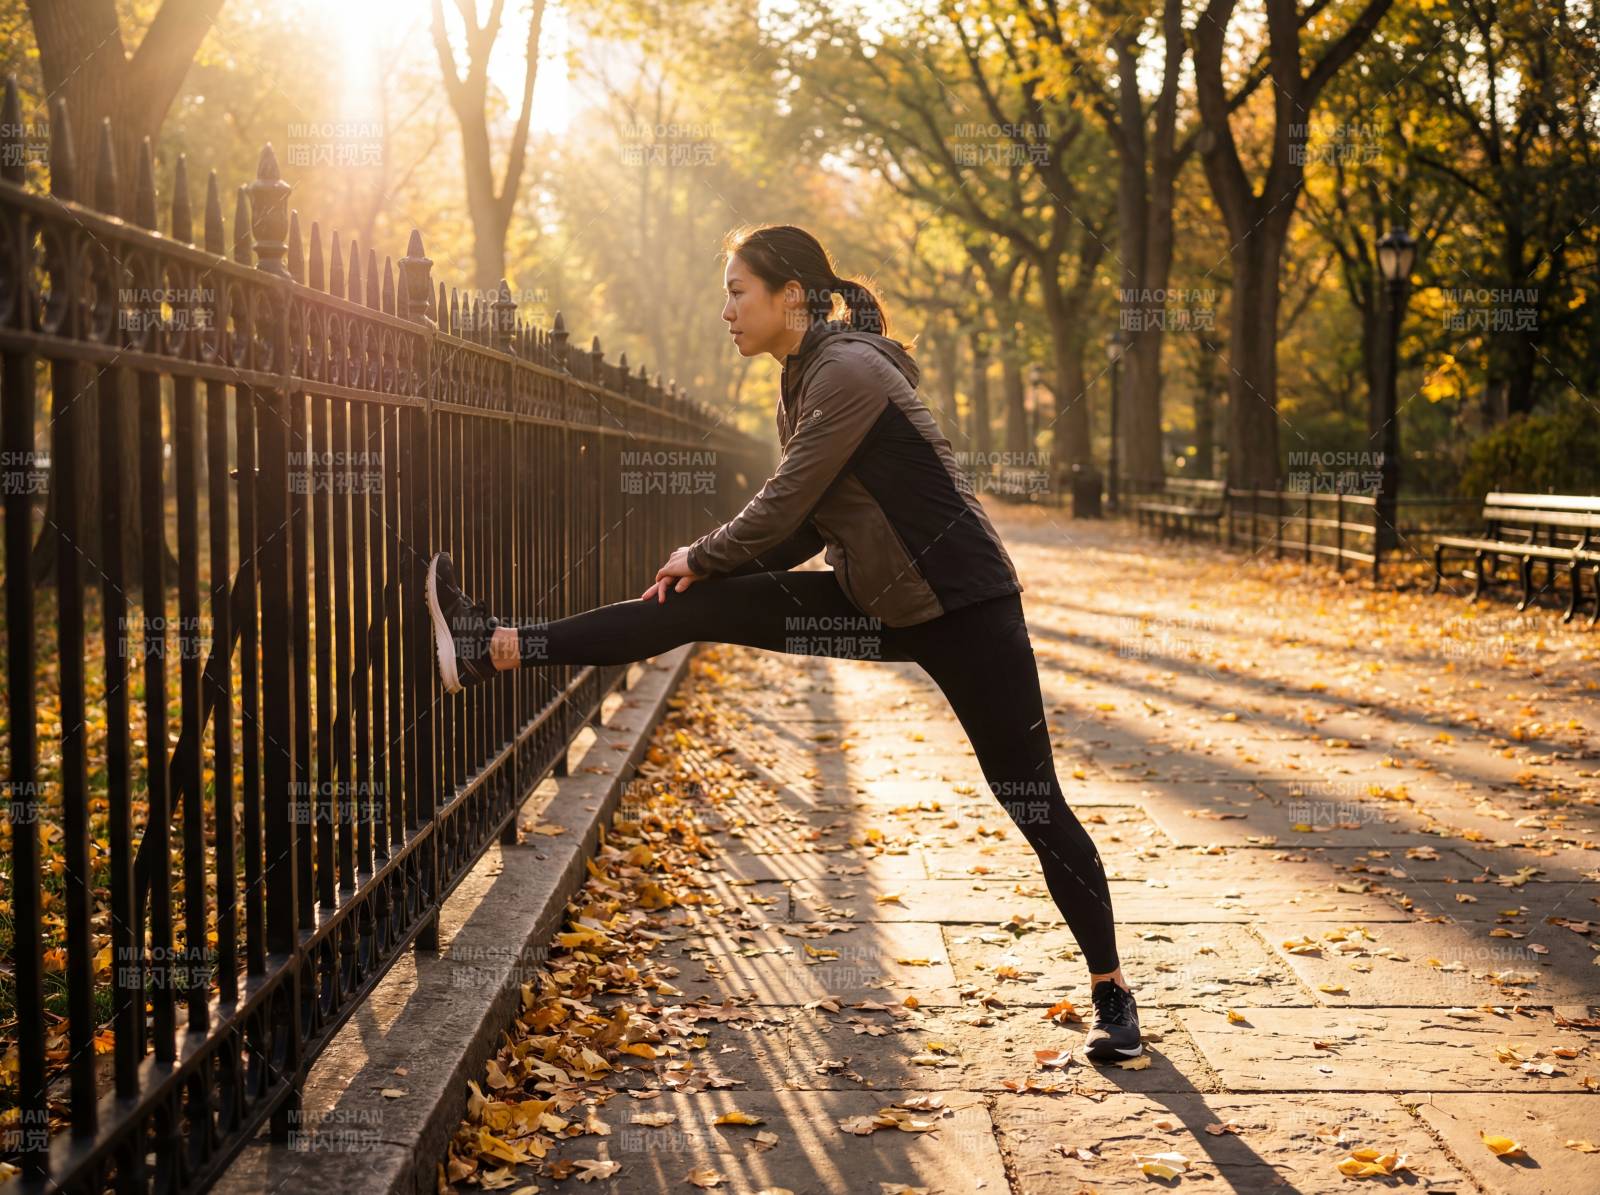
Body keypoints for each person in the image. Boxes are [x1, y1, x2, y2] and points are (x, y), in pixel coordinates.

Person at [424, 224, 1142, 1061]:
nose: (726, 310)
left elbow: (784, 500)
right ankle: (494, 648)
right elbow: (806, 524)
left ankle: (1112, 993)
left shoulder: (846, 372)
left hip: (965, 607)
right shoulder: (802, 380)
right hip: (875, 599)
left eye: (738, 291)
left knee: (1032, 801)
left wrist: (706, 551)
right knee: (690, 605)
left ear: (789, 295)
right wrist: (704, 573)